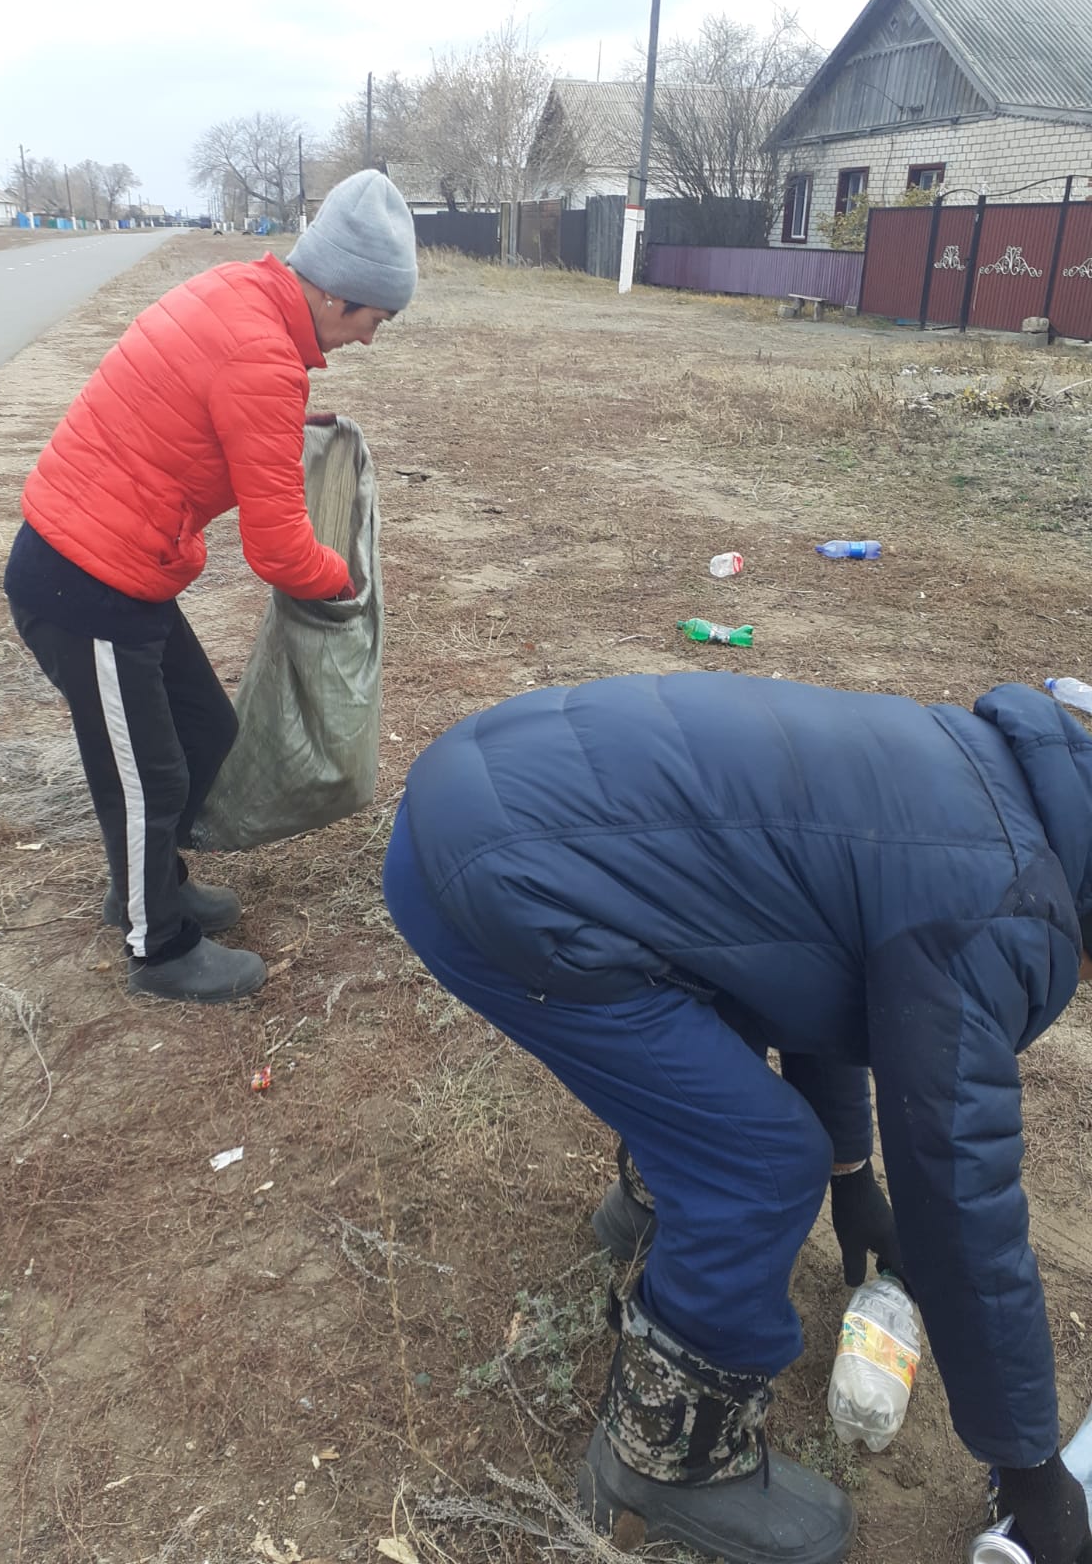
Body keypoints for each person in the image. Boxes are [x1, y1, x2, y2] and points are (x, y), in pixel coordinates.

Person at [382, 670, 1092, 1564]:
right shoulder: (1006, 907)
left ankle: (647, 1216)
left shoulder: (996, 779)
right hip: (496, 877)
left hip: (481, 798)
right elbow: (960, 1194)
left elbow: (821, 961)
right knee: (760, 1161)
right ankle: (663, 1467)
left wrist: (852, 1175)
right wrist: (1030, 1467)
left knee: (728, 978)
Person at [4, 170, 417, 1003]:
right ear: (336, 294)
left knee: (203, 737)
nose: (370, 339)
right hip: (83, 583)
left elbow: (207, 394)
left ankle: (153, 884)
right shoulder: (263, 354)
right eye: (375, 319)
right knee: (146, 776)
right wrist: (348, 581)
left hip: (127, 570)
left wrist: (281, 428)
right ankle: (156, 944)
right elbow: (280, 552)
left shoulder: (241, 295)